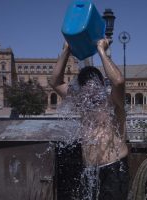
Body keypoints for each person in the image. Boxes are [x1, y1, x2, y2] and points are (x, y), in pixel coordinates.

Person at [50, 38, 130, 200]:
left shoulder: (114, 102)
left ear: (102, 84)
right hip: (89, 170)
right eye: (85, 85)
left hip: (114, 169)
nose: (90, 90)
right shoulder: (82, 103)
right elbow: (55, 82)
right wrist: (67, 50)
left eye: (93, 85)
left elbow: (119, 81)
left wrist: (101, 50)